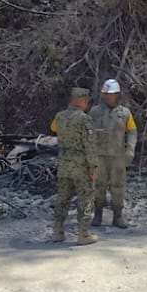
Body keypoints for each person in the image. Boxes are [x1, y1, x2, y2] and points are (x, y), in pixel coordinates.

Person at [49, 87, 99, 246]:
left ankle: (58, 231)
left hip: (63, 164)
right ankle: (83, 234)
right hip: (81, 166)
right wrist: (94, 167)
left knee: (62, 198)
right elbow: (90, 146)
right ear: (84, 101)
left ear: (71, 100)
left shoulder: (59, 117)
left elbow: (53, 129)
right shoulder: (85, 120)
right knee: (85, 198)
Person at [88, 78, 138, 228]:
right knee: (98, 185)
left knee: (118, 186)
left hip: (118, 156)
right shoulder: (95, 111)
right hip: (99, 155)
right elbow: (87, 131)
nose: (107, 97)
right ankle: (97, 215)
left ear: (117, 95)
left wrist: (130, 149)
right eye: (105, 94)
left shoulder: (125, 113)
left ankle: (118, 216)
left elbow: (132, 131)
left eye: (110, 94)